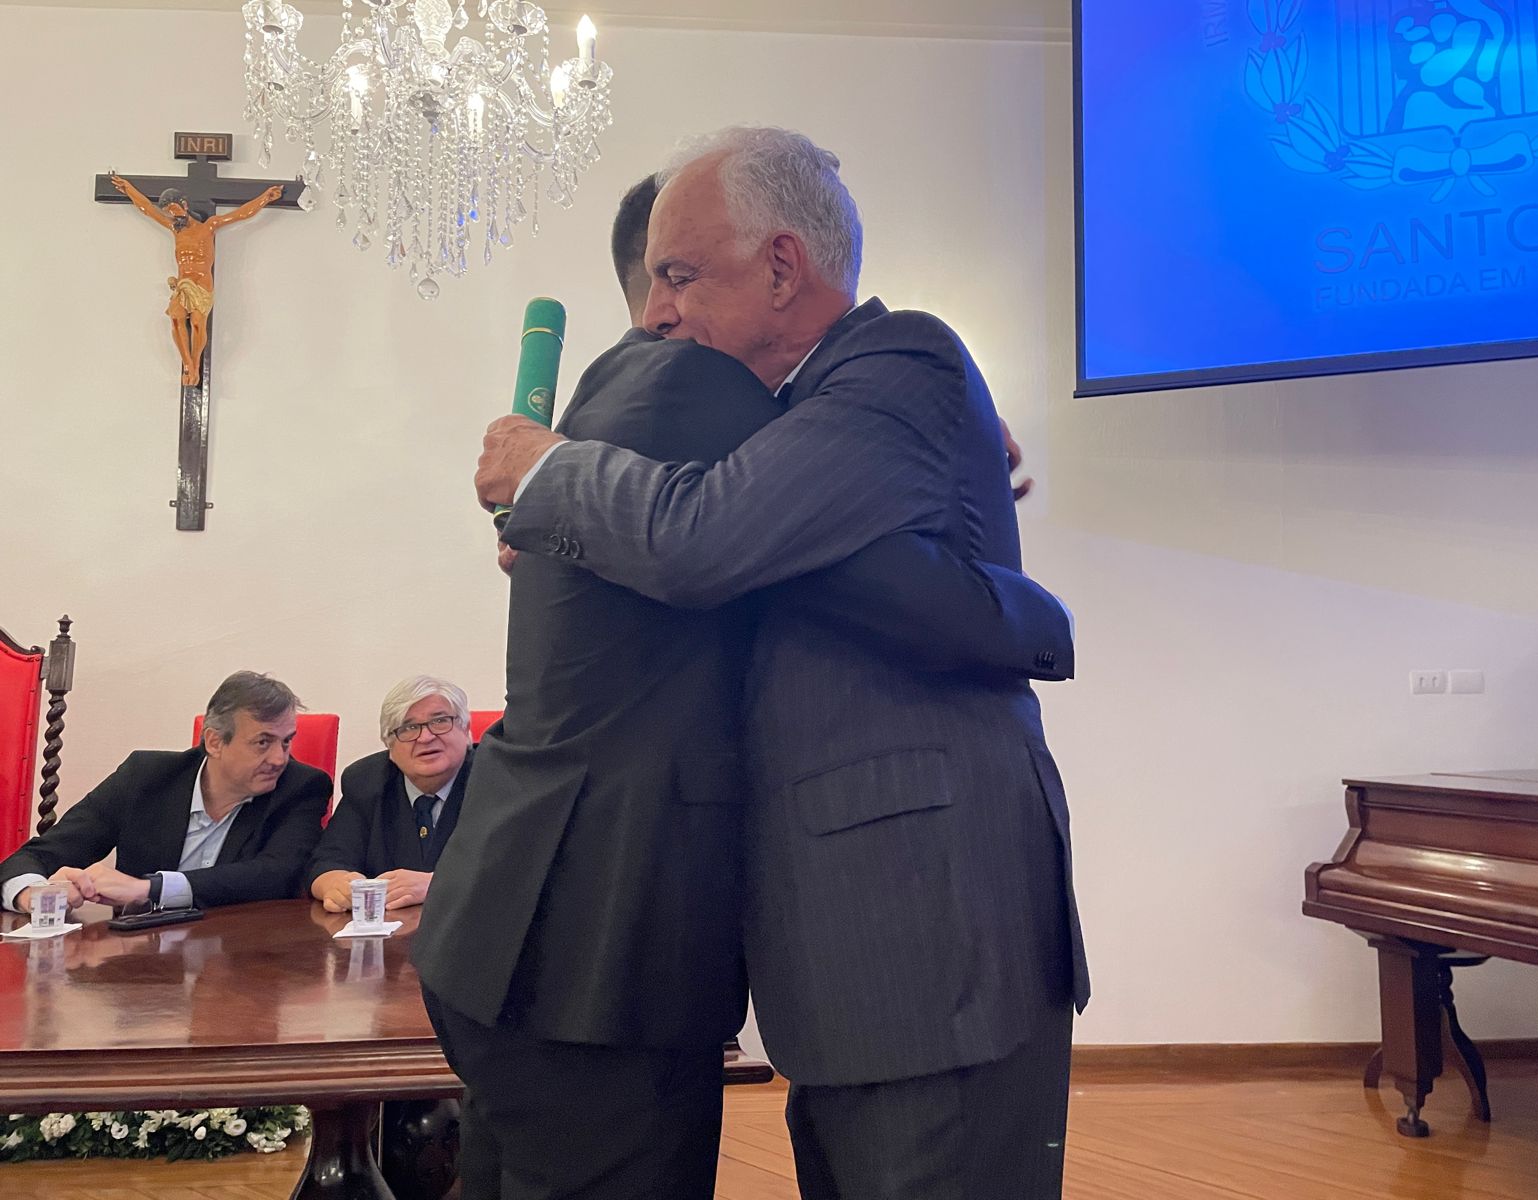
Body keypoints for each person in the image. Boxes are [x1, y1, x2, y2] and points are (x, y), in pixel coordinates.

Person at [415, 168, 1075, 1199]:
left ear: (779, 266)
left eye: (684, 276)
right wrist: (1022, 605)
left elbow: (715, 539)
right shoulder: (694, 396)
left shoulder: (870, 370)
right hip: (618, 948)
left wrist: (946, 467)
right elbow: (714, 538)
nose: (665, 309)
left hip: (905, 939)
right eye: (658, 279)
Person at [0, 671, 330, 914]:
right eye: (263, 742)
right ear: (215, 742)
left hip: (243, 964)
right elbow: (38, 856)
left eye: (286, 741)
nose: (279, 758)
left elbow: (278, 875)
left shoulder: (301, 788)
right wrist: (32, 894)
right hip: (139, 966)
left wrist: (149, 889)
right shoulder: (145, 777)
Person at [306, 675, 475, 913]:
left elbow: (518, 870)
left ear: (465, 729)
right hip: (389, 931)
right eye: (409, 727)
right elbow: (327, 861)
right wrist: (335, 884)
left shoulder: (497, 781)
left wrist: (438, 885)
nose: (425, 737)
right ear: (390, 747)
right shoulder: (366, 782)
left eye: (439, 721)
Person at [106, 174, 283, 386]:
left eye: (175, 210)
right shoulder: (175, 229)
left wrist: (265, 198)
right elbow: (147, 209)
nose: (173, 216)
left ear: (185, 205)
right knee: (175, 317)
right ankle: (188, 364)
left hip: (201, 283)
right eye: (169, 213)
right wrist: (129, 189)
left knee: (198, 323)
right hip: (183, 283)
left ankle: (195, 363)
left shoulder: (209, 226)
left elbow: (241, 214)